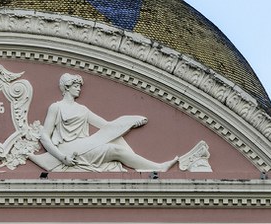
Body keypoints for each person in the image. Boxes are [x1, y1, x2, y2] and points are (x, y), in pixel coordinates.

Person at [30, 73, 178, 172]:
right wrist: (62, 157)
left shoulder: (83, 109)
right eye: (76, 86)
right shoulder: (56, 107)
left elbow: (107, 126)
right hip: (70, 150)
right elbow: (45, 137)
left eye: (80, 86)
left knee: (115, 139)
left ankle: (151, 166)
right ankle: (157, 168)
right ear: (66, 87)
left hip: (86, 147)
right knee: (115, 150)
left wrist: (130, 122)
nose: (79, 89)